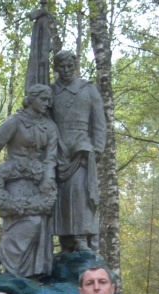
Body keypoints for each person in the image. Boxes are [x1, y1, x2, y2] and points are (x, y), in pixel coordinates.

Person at [0, 84, 59, 278]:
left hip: (38, 182)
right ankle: (0, 259)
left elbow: (51, 157)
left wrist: (48, 178)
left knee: (38, 225)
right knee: (27, 221)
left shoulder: (50, 126)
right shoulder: (15, 122)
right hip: (14, 179)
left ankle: (26, 276)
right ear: (31, 99)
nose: (47, 104)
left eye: (49, 100)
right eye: (43, 99)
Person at [50, 49, 107, 253]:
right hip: (57, 150)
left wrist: (97, 147)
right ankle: (65, 239)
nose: (66, 70)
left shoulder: (88, 89)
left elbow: (99, 122)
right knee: (61, 196)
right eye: (61, 66)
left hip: (82, 148)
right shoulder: (50, 91)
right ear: (55, 68)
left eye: (69, 66)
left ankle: (82, 236)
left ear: (75, 66)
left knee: (81, 192)